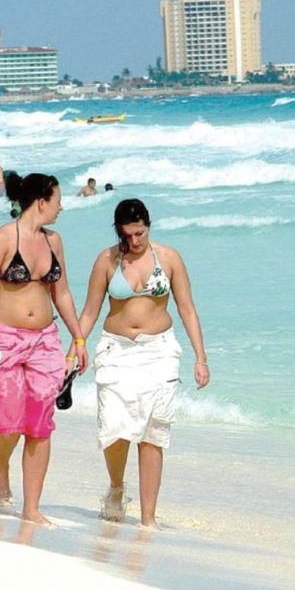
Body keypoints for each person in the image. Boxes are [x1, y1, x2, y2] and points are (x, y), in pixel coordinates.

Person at [75, 198, 209, 527]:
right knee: (114, 429)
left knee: (153, 431)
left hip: (159, 350)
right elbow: (91, 310)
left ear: (148, 225)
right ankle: (117, 487)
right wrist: (76, 345)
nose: (134, 242)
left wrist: (200, 357)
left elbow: (187, 309)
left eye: (139, 233)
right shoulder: (107, 260)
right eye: (127, 236)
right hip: (115, 350)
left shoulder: (169, 258)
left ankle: (148, 519)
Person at [0, 172, 88, 525]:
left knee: (39, 422)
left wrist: (78, 338)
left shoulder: (55, 241)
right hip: (2, 339)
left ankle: (32, 508)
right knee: (6, 422)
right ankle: (1, 466)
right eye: (57, 199)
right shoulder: (3, 239)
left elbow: (61, 292)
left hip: (44, 341)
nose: (61, 206)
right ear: (41, 201)